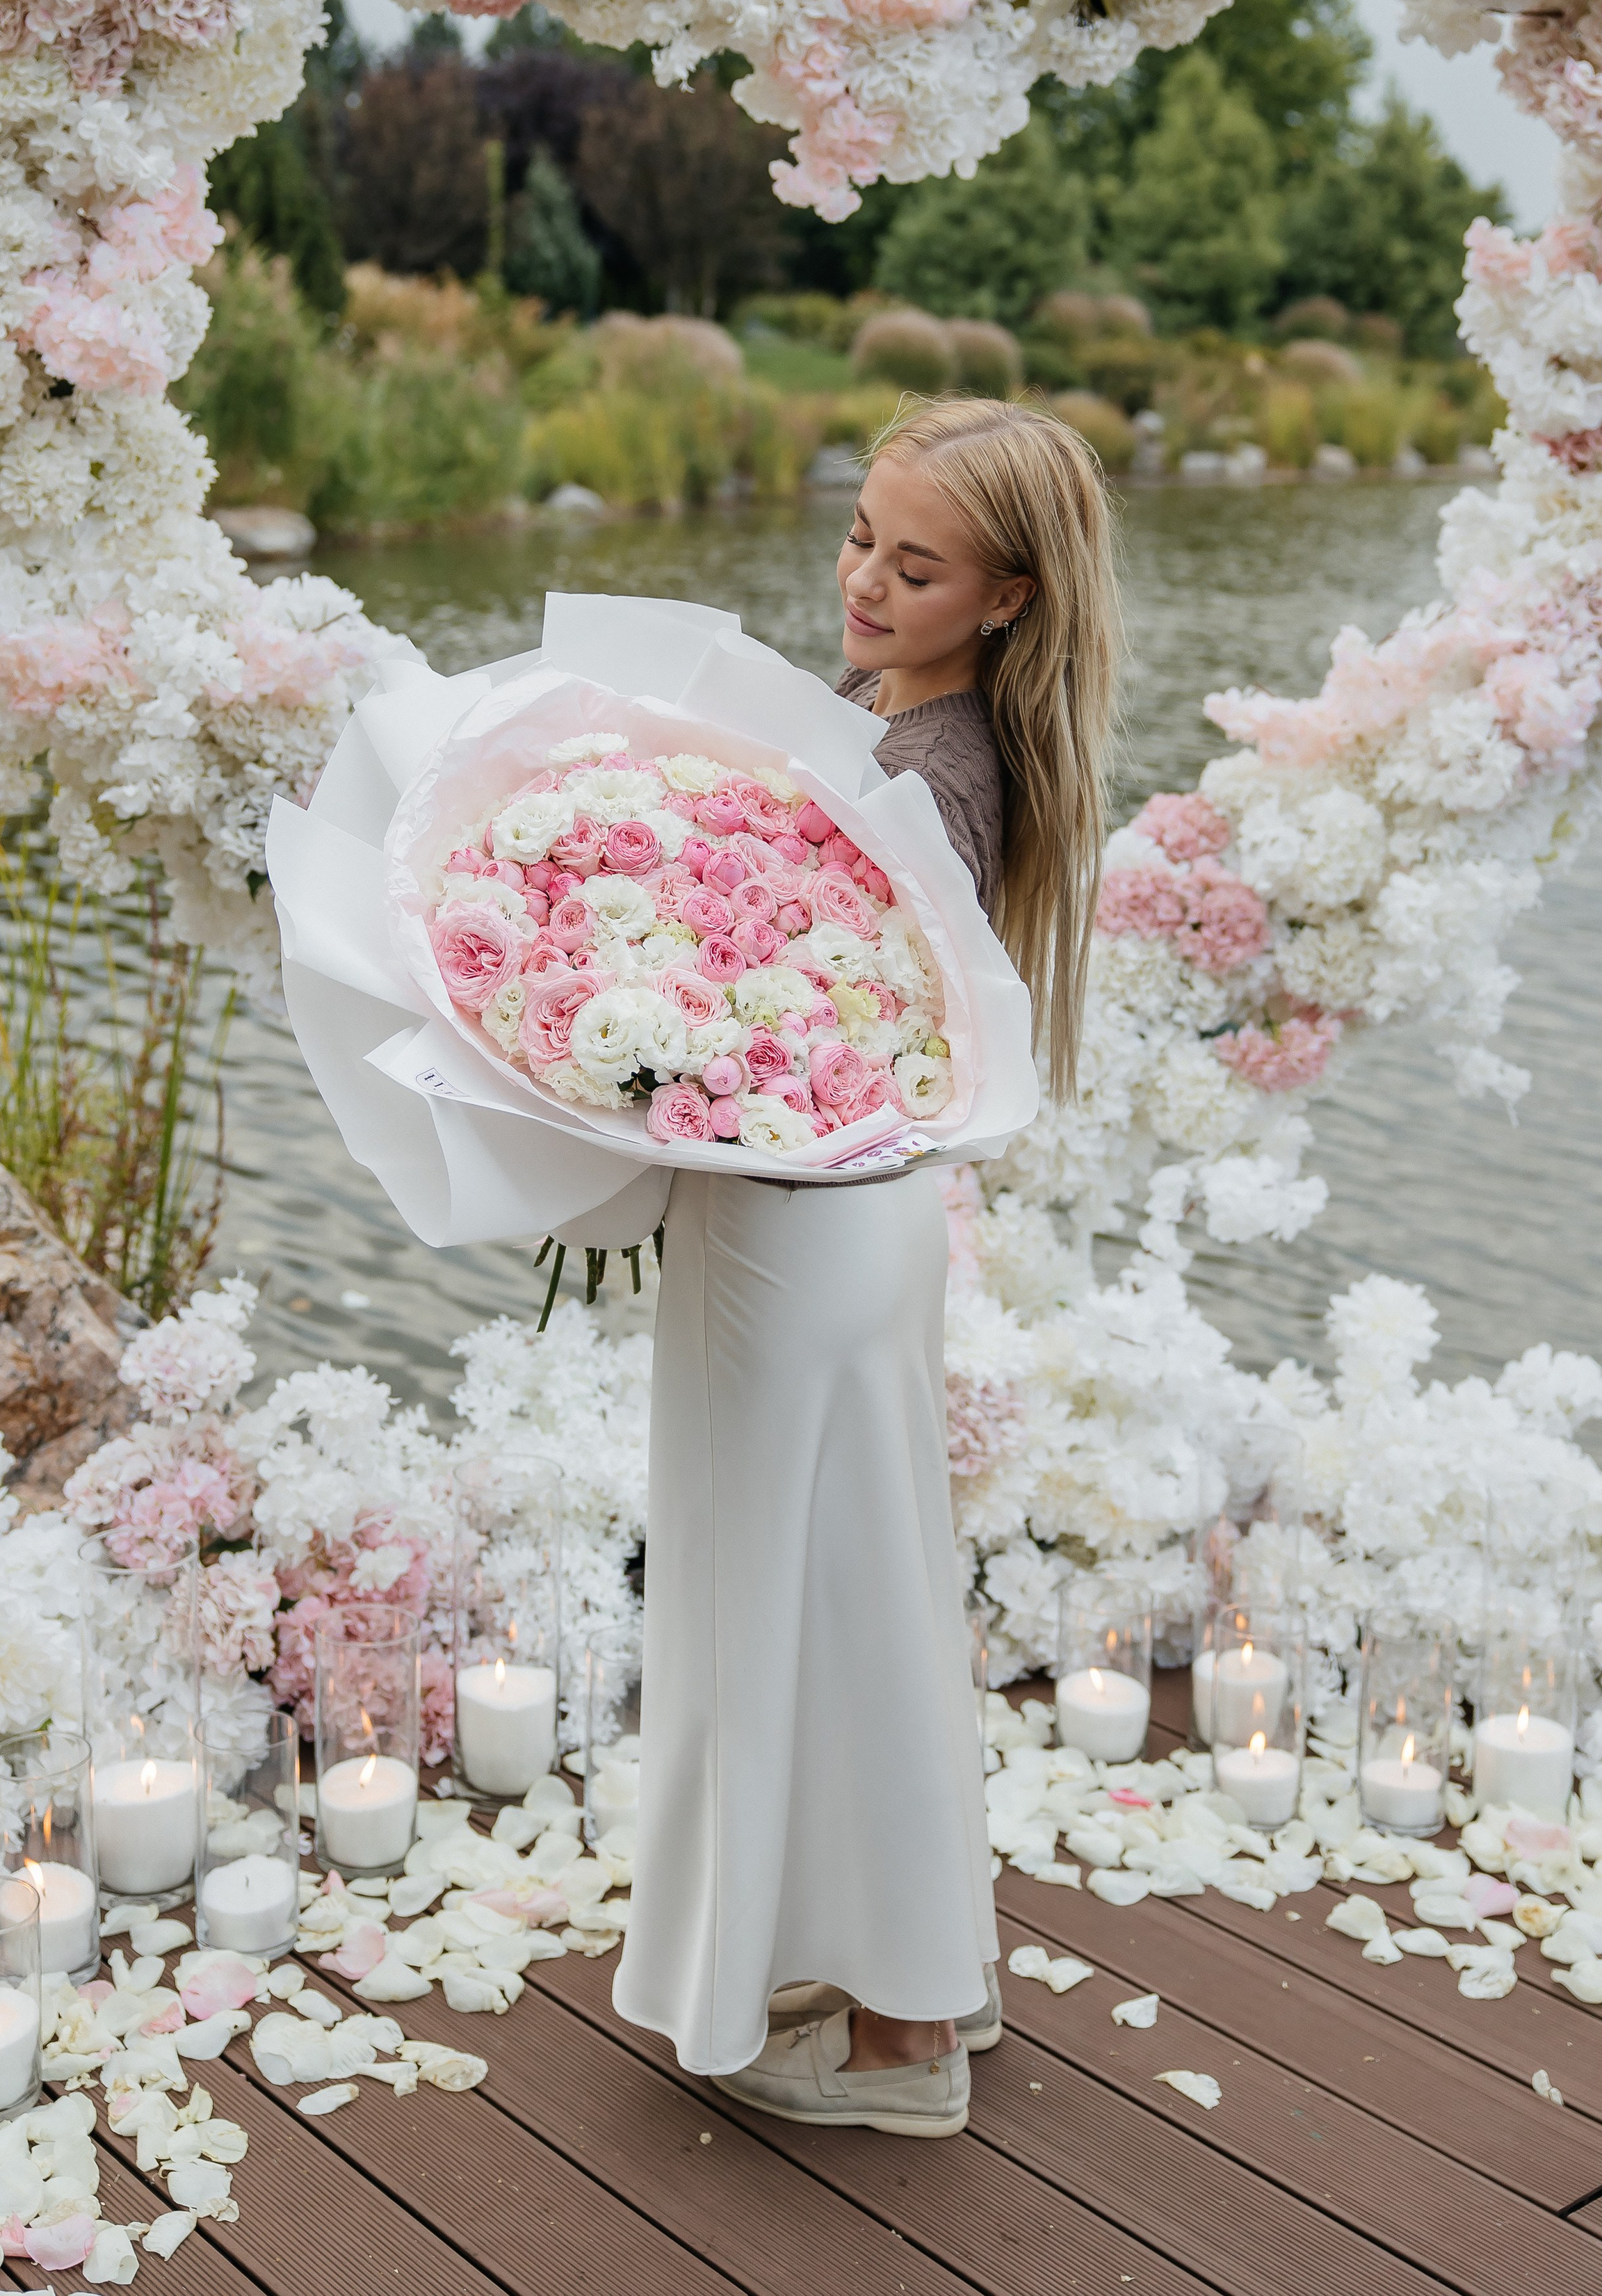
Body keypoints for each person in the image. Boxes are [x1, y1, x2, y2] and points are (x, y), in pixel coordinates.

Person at [610, 398, 1119, 2137]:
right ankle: (852, 1963)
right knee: (818, 1601)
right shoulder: (869, 715)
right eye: (856, 540)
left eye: (915, 568)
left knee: (826, 1609)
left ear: (1005, 599)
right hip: (794, 1215)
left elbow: (824, 1023)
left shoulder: (932, 770)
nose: (863, 584)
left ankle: (902, 2037)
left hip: (813, 1222)